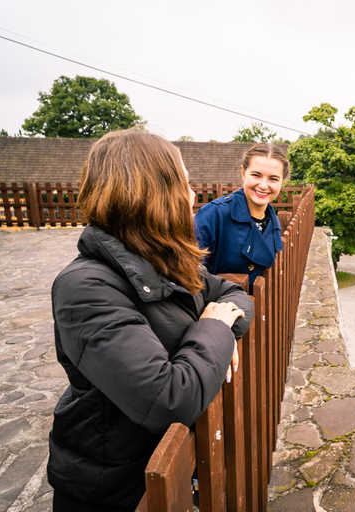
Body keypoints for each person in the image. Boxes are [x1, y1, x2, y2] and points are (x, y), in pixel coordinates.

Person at [48, 128, 254, 512]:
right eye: (185, 183)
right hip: (115, 486)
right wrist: (215, 331)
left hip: (160, 469)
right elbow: (171, 398)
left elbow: (234, 297)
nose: (193, 195)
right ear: (156, 192)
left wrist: (220, 329)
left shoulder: (165, 259)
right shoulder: (85, 287)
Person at [194, 143, 287, 287]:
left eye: (273, 179)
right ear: (243, 172)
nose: (263, 185)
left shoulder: (273, 221)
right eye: (256, 175)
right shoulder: (214, 214)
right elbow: (188, 271)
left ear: (282, 182)